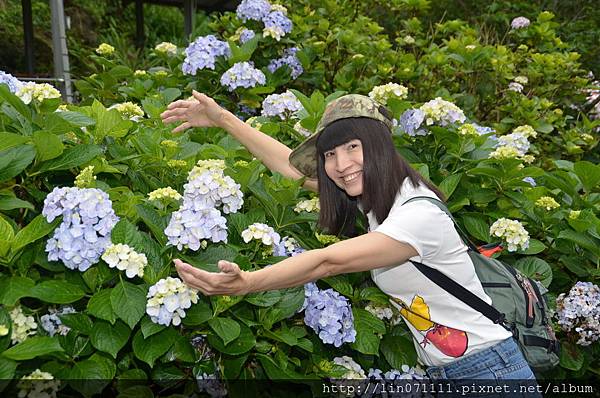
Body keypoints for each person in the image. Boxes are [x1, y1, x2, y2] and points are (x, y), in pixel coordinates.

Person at [160, 92, 540, 388]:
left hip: (489, 372)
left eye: (352, 148)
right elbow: (290, 168)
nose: (341, 164)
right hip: (454, 373)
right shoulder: (381, 204)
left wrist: (247, 283)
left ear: (378, 147)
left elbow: (329, 261)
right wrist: (223, 120)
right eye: (330, 153)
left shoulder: (417, 216)